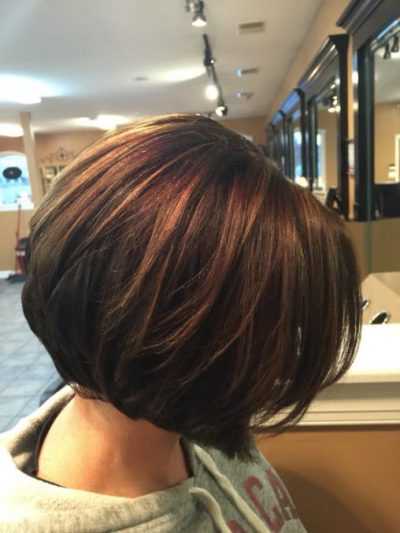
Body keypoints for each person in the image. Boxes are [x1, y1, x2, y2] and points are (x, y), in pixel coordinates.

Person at [0, 114, 361, 532]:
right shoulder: (188, 404)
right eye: (282, 327)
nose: (282, 358)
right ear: (183, 337)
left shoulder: (188, 422)